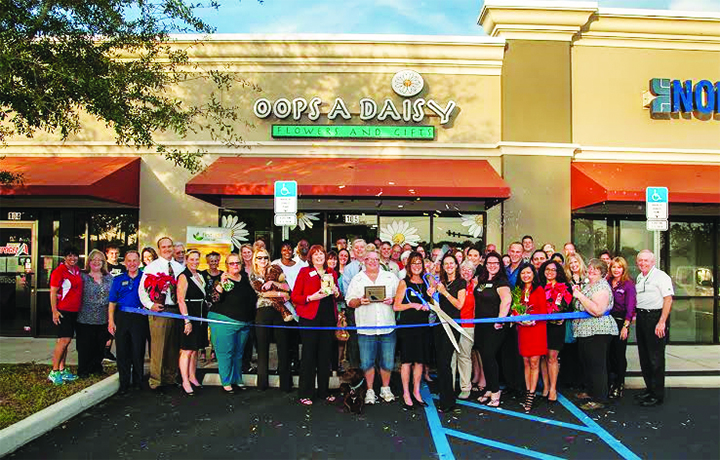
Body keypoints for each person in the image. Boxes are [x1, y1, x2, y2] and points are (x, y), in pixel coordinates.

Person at [346, 250, 399, 405]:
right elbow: (349, 301)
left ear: (379, 260)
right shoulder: (357, 279)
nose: (372, 262)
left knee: (387, 361)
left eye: (376, 259)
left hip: (387, 326)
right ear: (364, 261)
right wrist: (359, 301)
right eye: (369, 259)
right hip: (365, 327)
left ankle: (385, 388)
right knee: (367, 362)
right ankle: (370, 390)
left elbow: (400, 296)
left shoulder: (390, 277)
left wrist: (393, 299)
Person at [292, 245, 340, 405]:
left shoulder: (331, 272)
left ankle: (324, 392)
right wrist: (310, 298)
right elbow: (295, 296)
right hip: (309, 318)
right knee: (309, 355)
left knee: (325, 355)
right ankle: (305, 393)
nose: (319, 257)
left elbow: (338, 296)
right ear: (311, 258)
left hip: (328, 318)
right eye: (316, 254)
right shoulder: (304, 272)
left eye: (321, 254)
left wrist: (336, 292)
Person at [571, 258, 618, 410]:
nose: (591, 270)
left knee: (597, 365)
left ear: (602, 272)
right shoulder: (589, 285)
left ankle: (599, 398)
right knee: (588, 363)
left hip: (598, 331)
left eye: (596, 269)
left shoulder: (602, 287)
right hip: (585, 330)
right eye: (590, 268)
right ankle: (591, 391)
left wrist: (579, 296)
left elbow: (598, 311)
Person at [138, 237, 184, 390]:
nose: (167, 249)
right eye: (163, 247)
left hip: (176, 310)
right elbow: (142, 290)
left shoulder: (179, 267)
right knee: (158, 347)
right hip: (160, 311)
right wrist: (150, 305)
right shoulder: (152, 267)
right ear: (159, 249)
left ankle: (171, 377)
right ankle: (156, 381)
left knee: (173, 347)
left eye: (169, 246)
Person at [209, 253, 257, 393]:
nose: (235, 265)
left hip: (244, 323)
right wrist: (221, 284)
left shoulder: (245, 278)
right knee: (226, 353)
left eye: (238, 263)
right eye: (232, 263)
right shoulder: (223, 279)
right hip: (224, 321)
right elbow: (214, 298)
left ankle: (237, 379)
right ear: (226, 265)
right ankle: (226, 382)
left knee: (238, 353)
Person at [634, 249, 674, 407]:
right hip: (642, 317)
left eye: (646, 260)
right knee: (644, 356)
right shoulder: (639, 277)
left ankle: (657, 395)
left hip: (655, 318)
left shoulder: (661, 276)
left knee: (655, 358)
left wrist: (662, 321)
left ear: (653, 262)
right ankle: (649, 389)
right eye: (640, 260)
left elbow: (668, 299)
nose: (643, 263)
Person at [392, 251, 431, 410]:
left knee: (419, 361)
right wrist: (413, 305)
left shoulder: (427, 282)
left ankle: (416, 391)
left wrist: (430, 302)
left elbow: (432, 303)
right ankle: (406, 393)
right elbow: (396, 306)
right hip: (408, 327)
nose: (416, 266)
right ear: (409, 266)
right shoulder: (404, 283)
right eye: (413, 263)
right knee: (407, 361)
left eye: (419, 263)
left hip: (423, 326)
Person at [251, 248, 293, 392]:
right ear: (255, 260)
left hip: (279, 312)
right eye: (259, 258)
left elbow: (287, 289)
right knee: (262, 349)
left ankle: (286, 384)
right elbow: (262, 292)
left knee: (283, 347)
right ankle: (262, 384)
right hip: (262, 312)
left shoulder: (275, 271)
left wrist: (274, 284)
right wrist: (279, 293)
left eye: (265, 257)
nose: (263, 260)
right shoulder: (253, 275)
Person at [473, 251, 511, 407]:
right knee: (484, 357)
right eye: (489, 263)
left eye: (496, 263)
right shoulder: (481, 280)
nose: (492, 266)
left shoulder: (501, 281)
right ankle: (489, 388)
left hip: (495, 326)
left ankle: (495, 392)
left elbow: (506, 301)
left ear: (500, 265)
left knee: (489, 356)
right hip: (480, 326)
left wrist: (500, 320)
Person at [108, 250, 149, 393]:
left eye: (135, 260)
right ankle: (124, 383)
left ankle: (138, 381)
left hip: (139, 318)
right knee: (122, 351)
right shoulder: (118, 279)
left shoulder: (145, 278)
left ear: (139, 262)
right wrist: (111, 321)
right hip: (122, 317)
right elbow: (112, 302)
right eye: (129, 261)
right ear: (125, 263)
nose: (132, 263)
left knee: (138, 350)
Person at [514, 263, 547, 412]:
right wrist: (519, 320)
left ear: (533, 274)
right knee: (526, 362)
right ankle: (528, 391)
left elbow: (543, 311)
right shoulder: (518, 290)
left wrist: (532, 321)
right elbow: (515, 309)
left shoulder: (539, 290)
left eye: (528, 272)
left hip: (536, 329)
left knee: (534, 362)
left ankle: (531, 395)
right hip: (523, 330)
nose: (526, 275)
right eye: (523, 273)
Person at [48, 246, 83, 385]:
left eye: (74, 255)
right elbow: (53, 292)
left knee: (66, 342)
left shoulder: (77, 270)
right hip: (63, 311)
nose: (72, 258)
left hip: (75, 311)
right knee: (63, 340)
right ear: (64, 257)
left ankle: (62, 369)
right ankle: (54, 371)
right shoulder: (59, 271)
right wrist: (54, 311)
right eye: (69, 256)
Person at [538, 259, 572, 402]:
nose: (550, 272)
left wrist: (563, 316)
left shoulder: (565, 287)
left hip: (557, 326)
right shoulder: (539, 286)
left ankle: (553, 388)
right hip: (541, 325)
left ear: (558, 272)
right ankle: (545, 387)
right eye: (547, 269)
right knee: (542, 356)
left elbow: (570, 306)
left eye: (553, 269)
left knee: (552, 357)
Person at [76, 249, 114, 378]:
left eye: (100, 260)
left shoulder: (109, 278)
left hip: (103, 317)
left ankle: (96, 367)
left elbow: (114, 297)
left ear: (104, 262)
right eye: (93, 259)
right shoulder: (82, 276)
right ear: (89, 262)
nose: (96, 262)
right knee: (85, 346)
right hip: (85, 317)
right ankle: (83, 370)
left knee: (100, 345)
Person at [176, 250, 206, 396]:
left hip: (200, 315)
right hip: (189, 315)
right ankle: (185, 381)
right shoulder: (183, 276)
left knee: (195, 349)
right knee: (187, 349)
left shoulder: (200, 275)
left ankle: (192, 376)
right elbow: (180, 300)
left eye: (197, 259)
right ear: (186, 260)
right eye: (192, 259)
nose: (195, 262)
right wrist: (186, 321)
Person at [607, 256, 637, 399]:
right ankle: (610, 382)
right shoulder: (607, 282)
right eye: (614, 267)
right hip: (607, 321)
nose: (616, 270)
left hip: (621, 322)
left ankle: (619, 385)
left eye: (619, 267)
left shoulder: (628, 284)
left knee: (619, 354)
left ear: (623, 269)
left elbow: (631, 307)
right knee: (609, 354)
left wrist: (626, 326)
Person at [451, 260, 477, 400]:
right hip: (452, 324)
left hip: (468, 326)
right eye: (464, 269)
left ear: (473, 273)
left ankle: (465, 387)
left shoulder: (476, 286)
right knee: (451, 356)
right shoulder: (453, 284)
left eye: (470, 270)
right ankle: (449, 387)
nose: (466, 272)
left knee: (464, 357)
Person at [200, 252, 223, 362]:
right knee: (203, 328)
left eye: (215, 261)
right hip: (204, 305)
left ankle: (214, 350)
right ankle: (203, 350)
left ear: (219, 261)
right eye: (211, 261)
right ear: (207, 262)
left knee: (215, 329)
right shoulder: (202, 274)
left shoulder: (223, 274)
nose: (213, 263)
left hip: (218, 306)